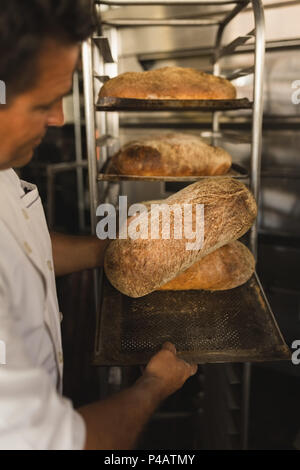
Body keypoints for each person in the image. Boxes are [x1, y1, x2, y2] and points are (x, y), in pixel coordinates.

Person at [0, 0, 197, 450]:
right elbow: (66, 443)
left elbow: (22, 247)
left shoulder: (3, 171)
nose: (59, 119)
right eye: (44, 104)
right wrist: (155, 385)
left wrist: (111, 250)